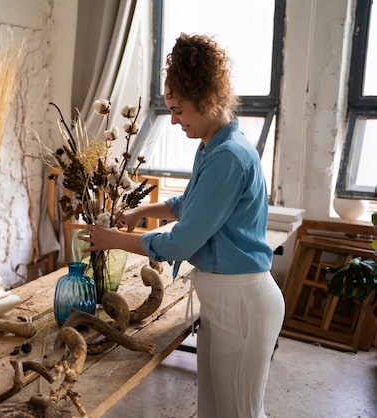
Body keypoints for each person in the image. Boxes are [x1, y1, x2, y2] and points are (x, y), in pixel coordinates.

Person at [81, 33, 284, 418]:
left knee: (238, 412)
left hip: (242, 303)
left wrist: (116, 239)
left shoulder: (228, 157)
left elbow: (181, 243)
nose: (173, 120)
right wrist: (144, 212)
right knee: (212, 410)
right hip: (225, 300)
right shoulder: (214, 146)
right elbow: (191, 203)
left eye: (179, 110)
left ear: (207, 100)